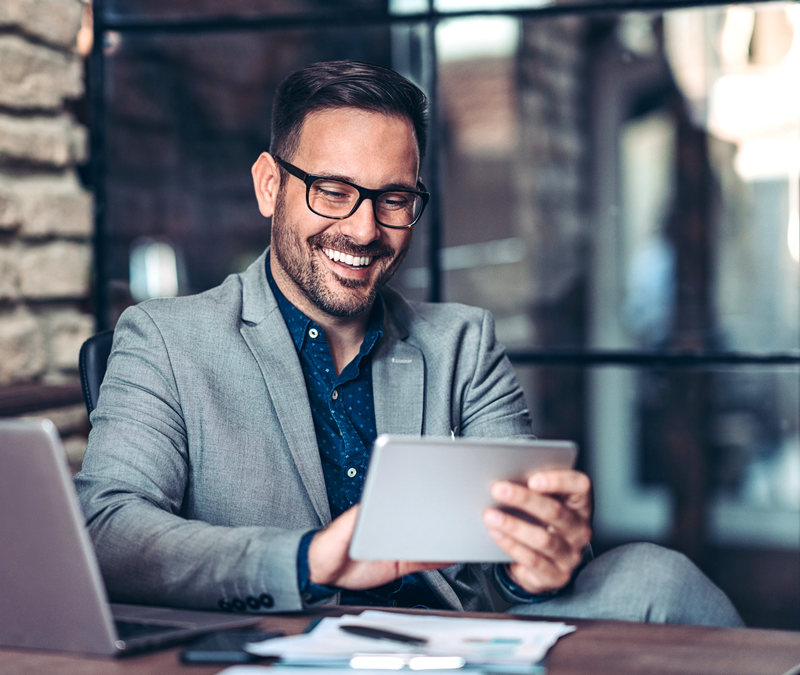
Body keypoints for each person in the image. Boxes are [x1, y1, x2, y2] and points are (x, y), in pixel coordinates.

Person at [75, 60, 742, 626]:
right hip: (280, 638)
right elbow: (106, 532)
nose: (365, 228)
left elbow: (510, 568)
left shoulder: (461, 344)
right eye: (333, 191)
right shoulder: (164, 338)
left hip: (449, 638)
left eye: (394, 198)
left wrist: (539, 561)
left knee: (659, 576)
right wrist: (307, 559)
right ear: (269, 186)